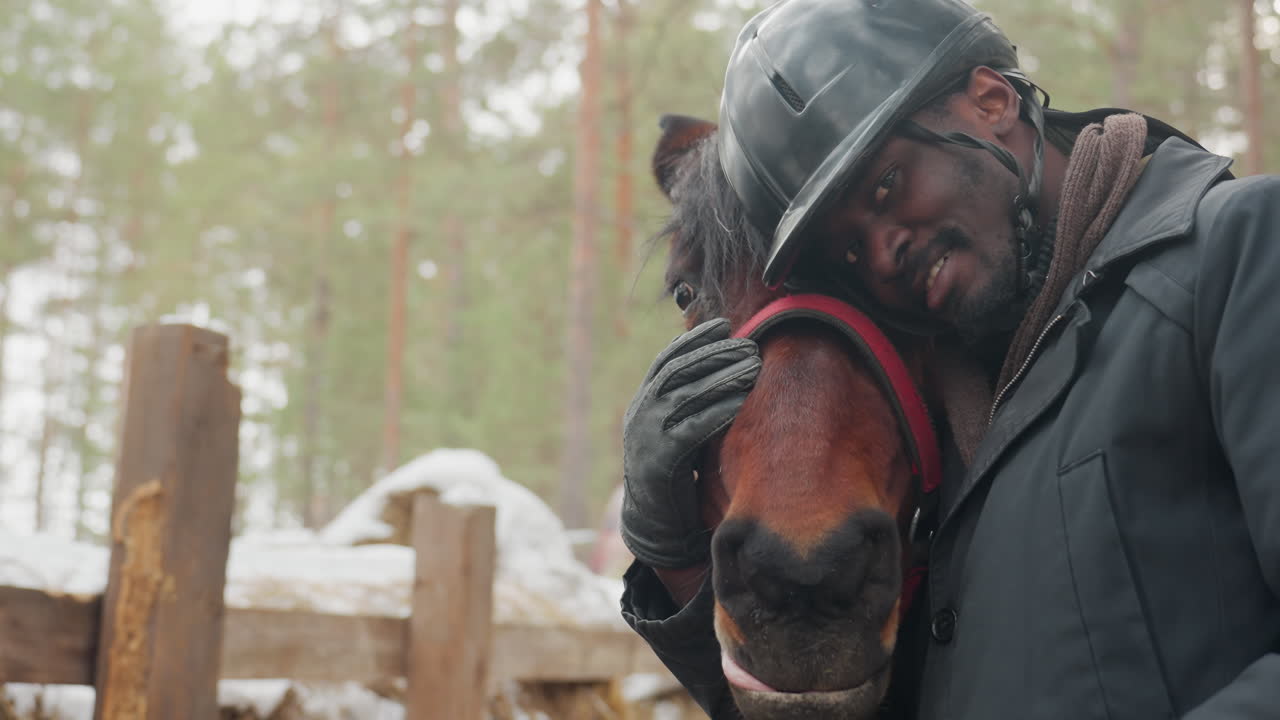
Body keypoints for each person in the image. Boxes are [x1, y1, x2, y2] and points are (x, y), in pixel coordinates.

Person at [617, 0, 1280, 718]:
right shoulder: (951, 421)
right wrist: (674, 554)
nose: (881, 253)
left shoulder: (1242, 252)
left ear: (992, 100)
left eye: (886, 186)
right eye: (848, 251)